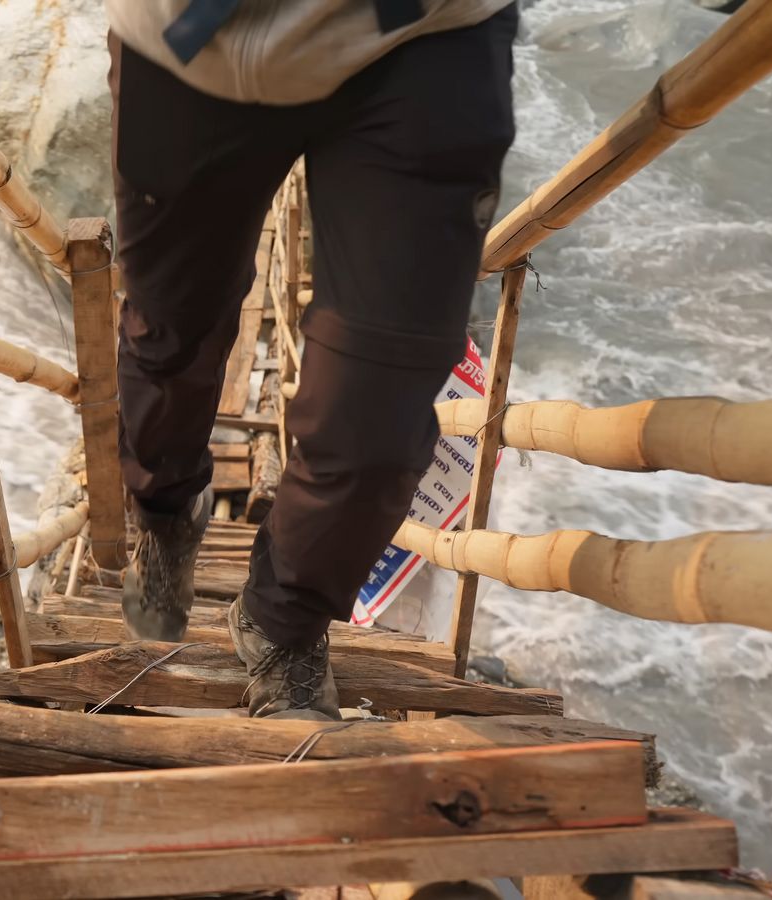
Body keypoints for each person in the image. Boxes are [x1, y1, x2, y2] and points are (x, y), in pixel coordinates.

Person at [106, 0, 518, 720]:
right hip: (183, 40)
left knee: (382, 414)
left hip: (425, 34)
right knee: (169, 337)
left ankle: (282, 619)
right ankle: (165, 512)